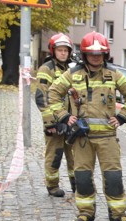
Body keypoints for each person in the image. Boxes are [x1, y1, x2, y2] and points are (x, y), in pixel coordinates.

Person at [47, 31, 126, 221]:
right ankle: (86, 213)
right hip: (83, 138)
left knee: (113, 178)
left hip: (107, 138)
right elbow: (53, 93)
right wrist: (63, 116)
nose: (96, 57)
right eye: (92, 54)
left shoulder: (113, 74)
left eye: (99, 54)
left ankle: (118, 214)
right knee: (82, 177)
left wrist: (122, 117)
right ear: (84, 54)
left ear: (105, 54)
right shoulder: (73, 74)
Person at [35, 33, 76, 198]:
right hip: (55, 121)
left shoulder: (70, 69)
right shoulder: (47, 69)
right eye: (60, 50)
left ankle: (77, 185)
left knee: (74, 156)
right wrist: (50, 123)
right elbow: (41, 97)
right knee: (55, 154)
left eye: (66, 50)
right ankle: (52, 186)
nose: (63, 53)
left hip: (70, 120)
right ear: (53, 51)